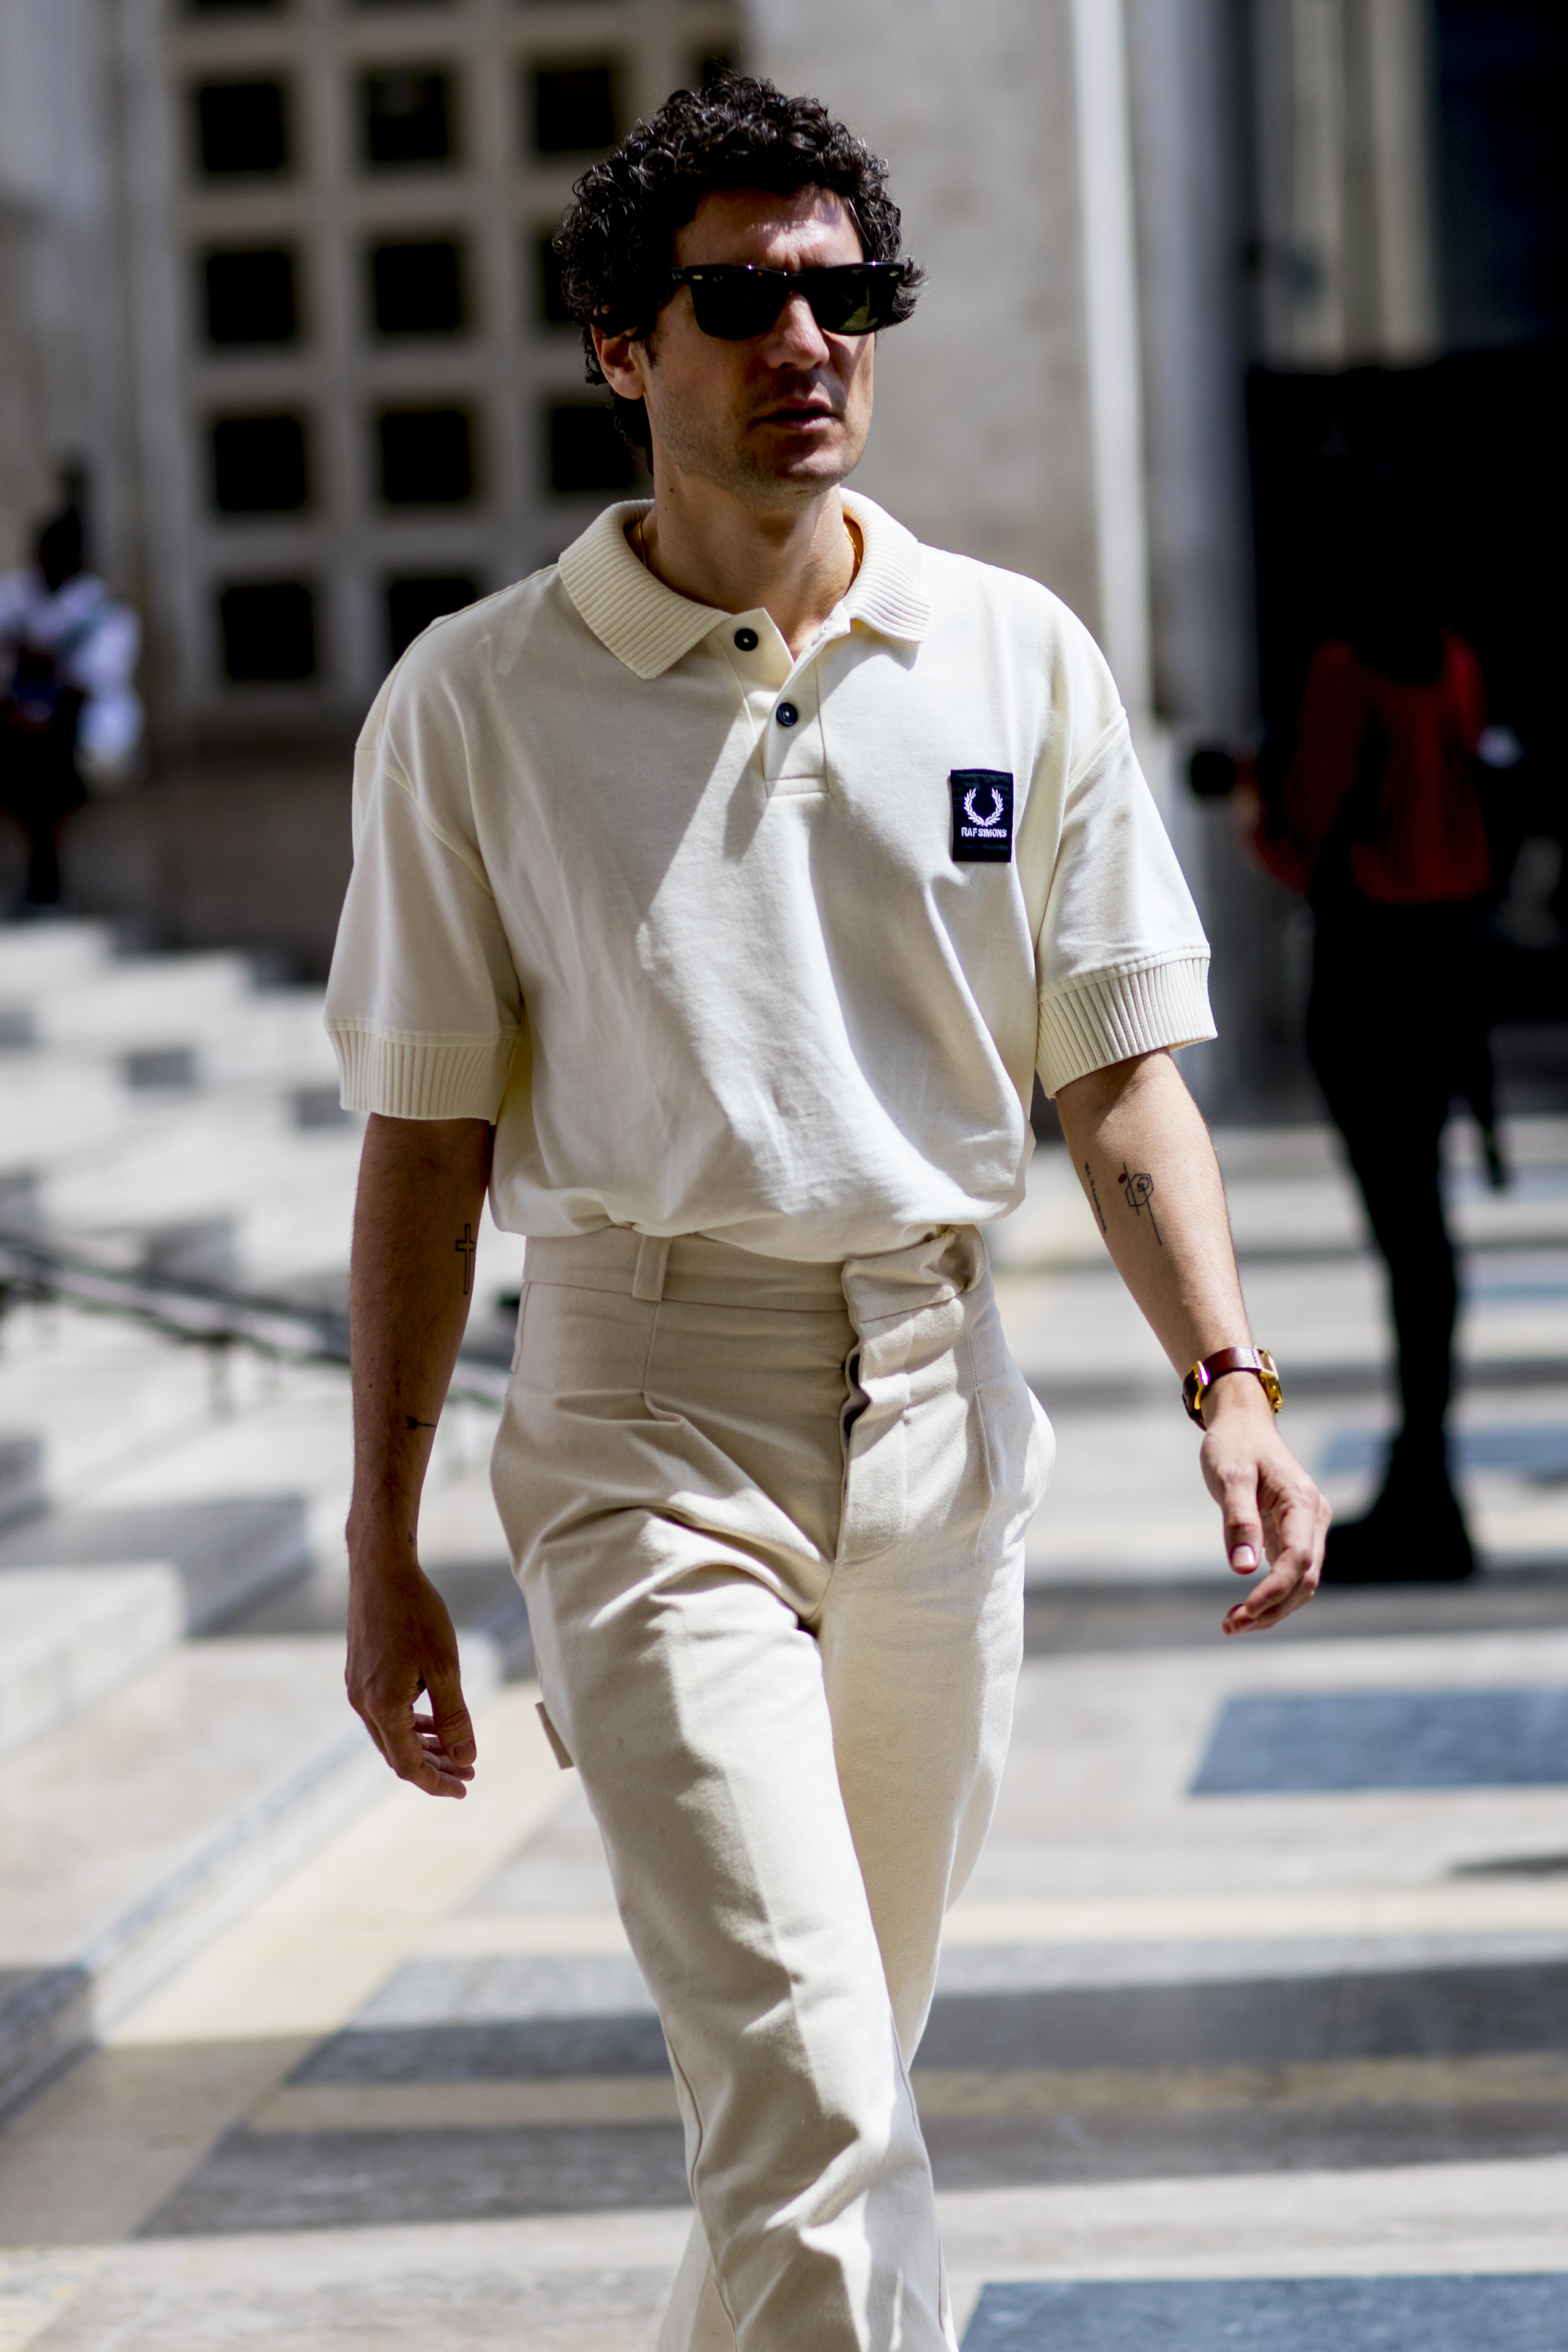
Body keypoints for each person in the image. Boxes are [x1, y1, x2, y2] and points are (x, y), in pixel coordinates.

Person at [328, 78, 1329, 2352]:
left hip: (936, 1418)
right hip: (641, 1423)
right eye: (742, 301)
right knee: (807, 2102)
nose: (809, 342)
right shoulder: (474, 703)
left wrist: (1230, 1378)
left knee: (836, 2083)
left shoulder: (1013, 653)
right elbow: (423, 1141)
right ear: (620, 345)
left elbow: (1115, 1069)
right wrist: (383, 1540)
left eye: (846, 294)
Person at [1253, 512, 1492, 1582]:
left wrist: (1251, 804)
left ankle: (1423, 1495)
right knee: (1425, 1238)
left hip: (1368, 977)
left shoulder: (1345, 669)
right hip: (1445, 975)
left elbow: (1300, 835)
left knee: (1405, 1237)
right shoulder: (1452, 663)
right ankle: (1428, 1476)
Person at [0, 493, 142, 909]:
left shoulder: (104, 613)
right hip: (16, 730)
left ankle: (45, 878)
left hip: (77, 738)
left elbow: (94, 684)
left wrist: (45, 672)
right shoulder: (12, 599)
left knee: (47, 770)